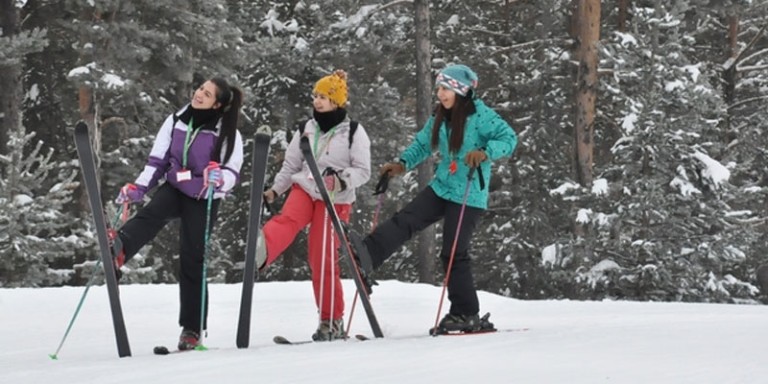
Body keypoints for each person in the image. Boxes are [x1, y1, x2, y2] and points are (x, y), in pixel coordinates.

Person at [357, 64, 517, 334]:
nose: (440, 94)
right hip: (443, 186)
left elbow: (509, 138)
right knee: (407, 218)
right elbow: (423, 144)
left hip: (469, 193)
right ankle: (368, 253)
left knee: (453, 252)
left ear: (460, 90)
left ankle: (465, 313)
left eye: (445, 89)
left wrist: (485, 151)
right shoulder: (441, 117)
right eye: (439, 89)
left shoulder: (482, 116)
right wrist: (402, 164)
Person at [111, 77, 244, 350]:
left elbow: (233, 171)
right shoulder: (176, 120)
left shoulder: (227, 131)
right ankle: (119, 248)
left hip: (202, 195)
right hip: (175, 186)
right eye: (200, 89)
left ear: (217, 104)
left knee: (192, 260)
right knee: (151, 214)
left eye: (206, 94)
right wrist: (138, 187)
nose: (199, 95)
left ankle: (192, 329)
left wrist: (219, 179)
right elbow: (157, 161)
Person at [259, 69, 371, 341]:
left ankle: (331, 319)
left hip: (334, 198)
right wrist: (275, 189)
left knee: (321, 257)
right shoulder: (306, 128)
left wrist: (341, 181)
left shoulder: (354, 132)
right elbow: (291, 165)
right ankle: (262, 248)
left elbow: (363, 171)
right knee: (289, 218)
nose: (317, 101)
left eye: (323, 96)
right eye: (315, 96)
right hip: (306, 187)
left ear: (336, 101)